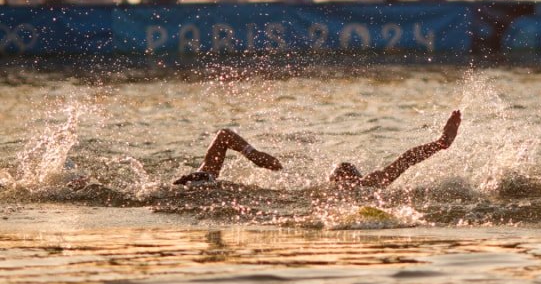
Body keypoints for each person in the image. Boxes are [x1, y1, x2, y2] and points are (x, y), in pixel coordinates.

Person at [174, 110, 461, 188]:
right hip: (201, 184)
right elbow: (224, 135)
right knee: (206, 179)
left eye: (348, 176)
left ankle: (205, 180)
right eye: (340, 176)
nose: (344, 178)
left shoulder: (369, 187)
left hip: (207, 187)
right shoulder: (309, 189)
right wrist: (253, 155)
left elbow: (406, 160)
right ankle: (204, 179)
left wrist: (441, 143)